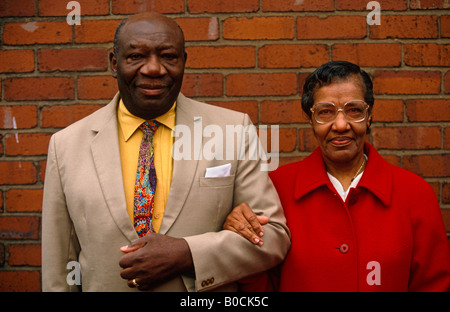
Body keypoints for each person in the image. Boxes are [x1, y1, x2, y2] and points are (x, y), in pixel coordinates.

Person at [41, 12, 290, 292]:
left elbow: (272, 236)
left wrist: (188, 253)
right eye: (136, 56)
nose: (153, 69)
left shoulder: (233, 130)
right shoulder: (66, 146)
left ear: (184, 61)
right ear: (114, 62)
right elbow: (58, 267)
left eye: (168, 56)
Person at [224, 61, 450, 291]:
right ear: (311, 120)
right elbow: (259, 285)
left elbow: (433, 285)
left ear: (369, 115)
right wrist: (239, 233)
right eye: (325, 112)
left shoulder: (414, 193)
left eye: (354, 110)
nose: (341, 125)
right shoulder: (275, 189)